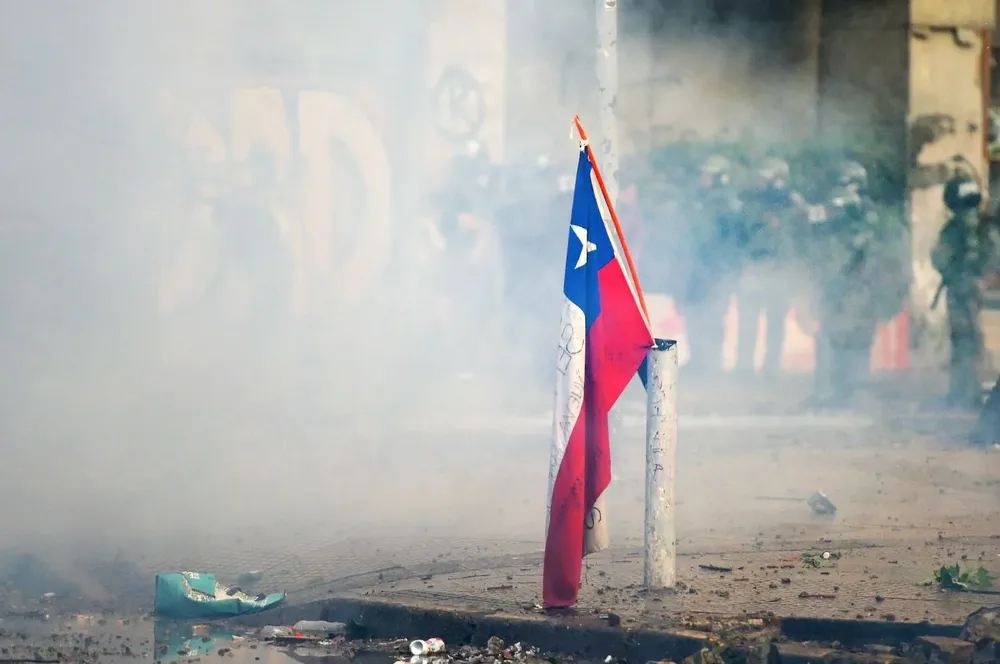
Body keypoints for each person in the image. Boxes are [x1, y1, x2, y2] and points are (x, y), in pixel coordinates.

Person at [804, 161, 880, 408]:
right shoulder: (844, 212)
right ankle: (833, 393)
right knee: (831, 336)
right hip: (838, 285)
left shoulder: (862, 212)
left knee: (851, 337)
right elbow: (815, 219)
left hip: (855, 287)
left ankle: (851, 393)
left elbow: (863, 248)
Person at [931, 173, 1000, 409]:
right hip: (979, 292)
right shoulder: (984, 226)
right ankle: (970, 393)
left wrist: (959, 278)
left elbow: (940, 257)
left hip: (964, 292)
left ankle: (964, 394)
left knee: (965, 343)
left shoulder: (956, 227)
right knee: (973, 342)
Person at [736, 157, 804, 375]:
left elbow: (799, 231)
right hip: (755, 265)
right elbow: (742, 233)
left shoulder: (791, 202)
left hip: (778, 267)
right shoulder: (751, 202)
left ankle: (771, 368)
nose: (760, 182)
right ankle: (744, 367)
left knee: (775, 321)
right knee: (748, 320)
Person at [681, 155, 743, 374]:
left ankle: (711, 362)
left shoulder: (726, 203)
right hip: (699, 266)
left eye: (708, 175)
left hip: (717, 269)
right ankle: (698, 358)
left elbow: (727, 238)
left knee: (713, 315)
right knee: (694, 313)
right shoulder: (700, 198)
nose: (703, 178)